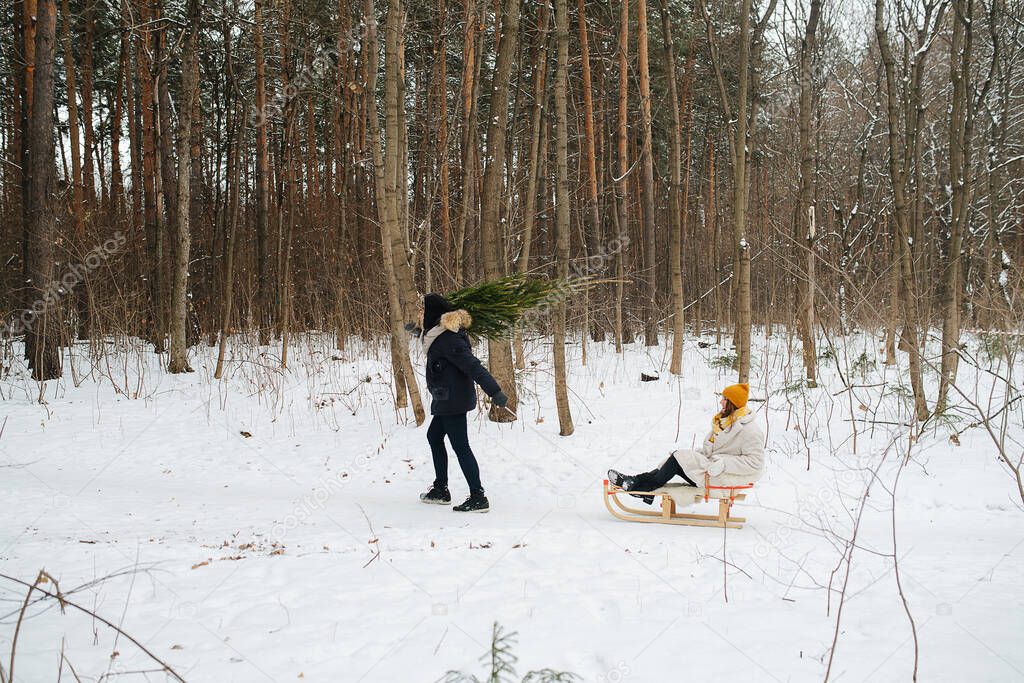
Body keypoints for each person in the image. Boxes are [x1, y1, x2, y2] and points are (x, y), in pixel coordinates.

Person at [418, 293, 509, 513]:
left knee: (461, 446)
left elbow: (473, 366)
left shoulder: (447, 338)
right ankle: (441, 489)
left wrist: (494, 391)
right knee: (434, 436)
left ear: (432, 313)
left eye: (423, 310)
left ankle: (478, 496)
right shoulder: (437, 334)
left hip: (453, 400)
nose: (421, 314)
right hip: (445, 398)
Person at [608, 383, 764, 504]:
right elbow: (714, 451)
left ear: (732, 403)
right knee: (674, 460)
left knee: (677, 458)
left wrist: (724, 463)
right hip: (710, 471)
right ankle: (635, 482)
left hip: (720, 479)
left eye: (724, 399)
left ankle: (639, 486)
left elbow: (755, 463)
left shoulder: (750, 431)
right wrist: (702, 455)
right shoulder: (725, 423)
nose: (721, 402)